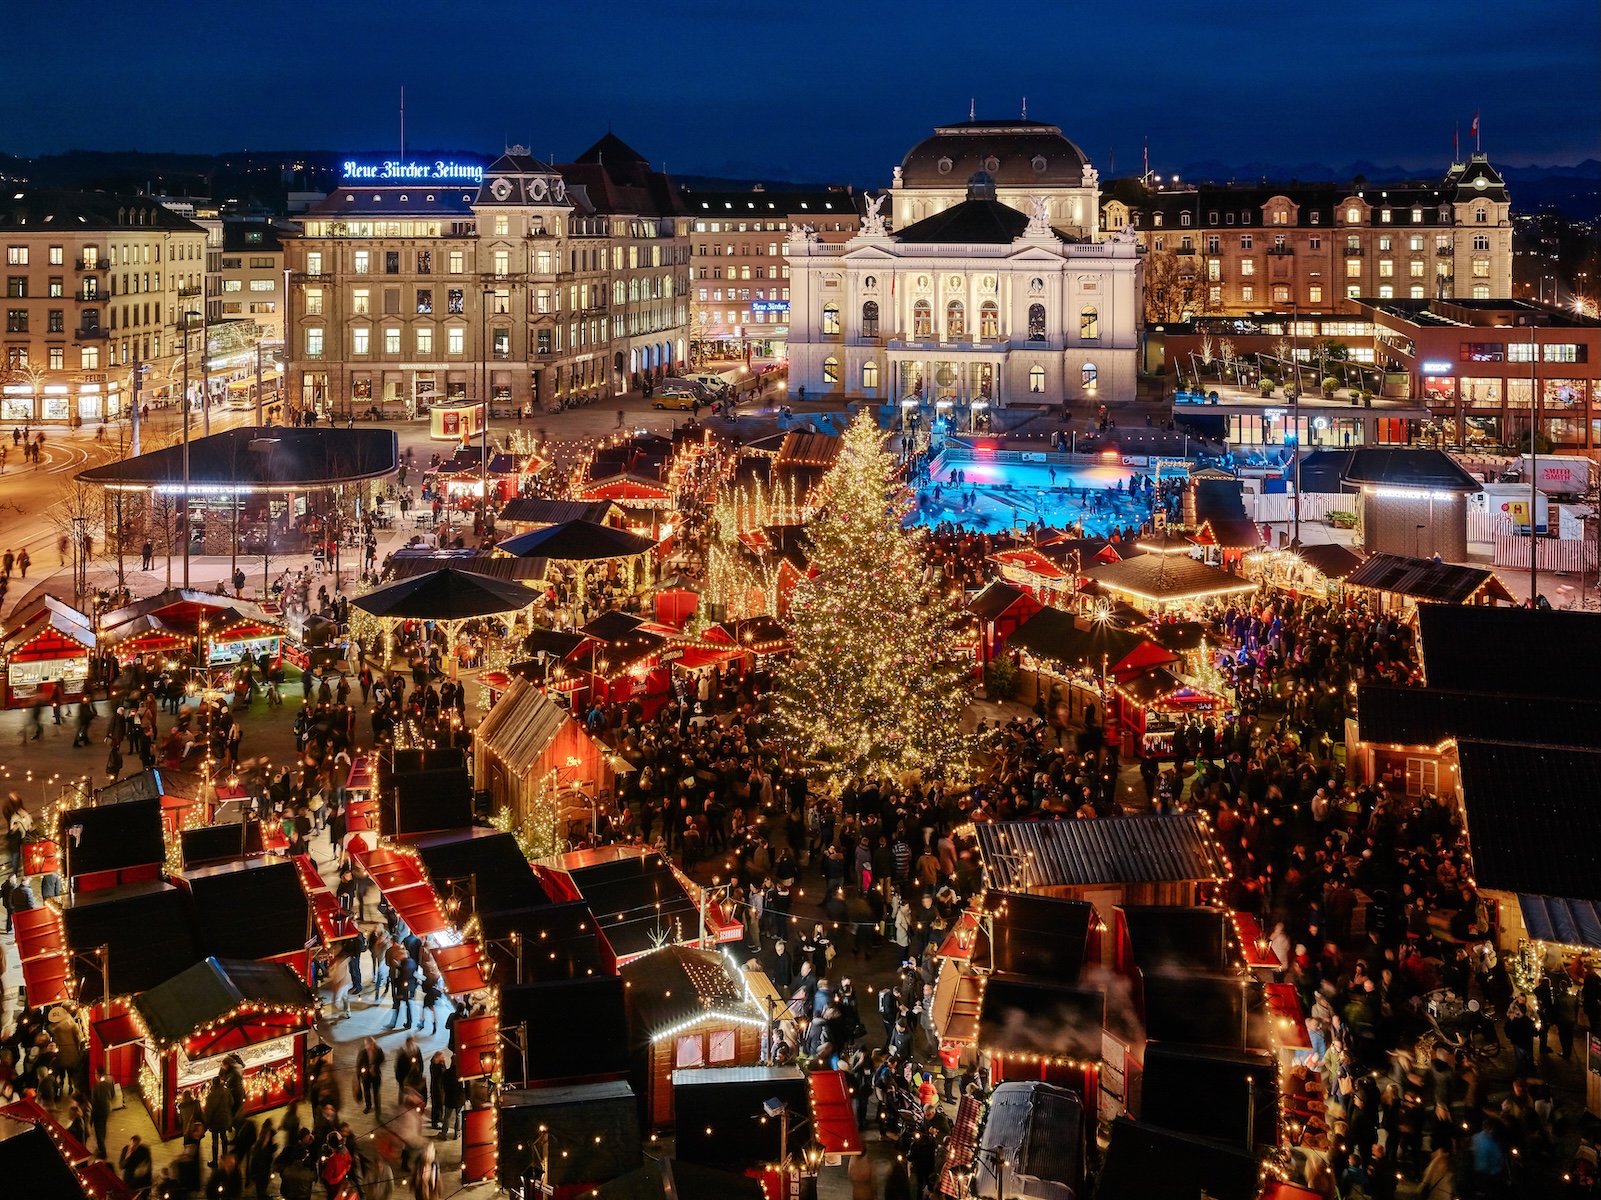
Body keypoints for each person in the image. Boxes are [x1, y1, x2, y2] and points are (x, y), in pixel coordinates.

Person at [90, 1068, 116, 1158]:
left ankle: (102, 1151)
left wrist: (91, 1118)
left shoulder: (96, 1087)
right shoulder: (110, 1081)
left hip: (99, 1111)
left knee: (98, 1131)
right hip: (107, 1109)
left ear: (98, 1075)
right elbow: (113, 1094)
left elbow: (94, 1103)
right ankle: (102, 1145)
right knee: (103, 1127)